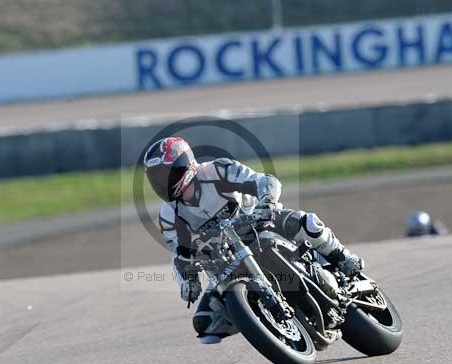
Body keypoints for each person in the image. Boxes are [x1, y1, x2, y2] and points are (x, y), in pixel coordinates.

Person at [143, 137, 364, 344]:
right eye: (156, 178)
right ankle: (261, 318)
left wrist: (266, 204)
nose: (161, 183)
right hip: (229, 258)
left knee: (306, 223)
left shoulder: (217, 171)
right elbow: (180, 255)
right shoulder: (169, 215)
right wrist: (187, 281)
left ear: (186, 165)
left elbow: (265, 181)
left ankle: (342, 257)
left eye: (166, 174)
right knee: (206, 322)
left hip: (261, 226)